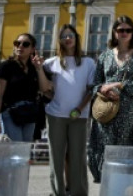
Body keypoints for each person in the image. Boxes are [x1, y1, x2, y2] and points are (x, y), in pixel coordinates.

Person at [88, 16, 133, 183]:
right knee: (104, 157)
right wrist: (104, 90)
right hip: (104, 114)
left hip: (127, 115)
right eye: (120, 30)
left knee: (124, 163)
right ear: (114, 32)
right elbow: (94, 85)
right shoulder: (104, 56)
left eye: (128, 30)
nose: (124, 33)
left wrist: (120, 84)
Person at [43, 24, 95, 196]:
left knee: (77, 157)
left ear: (76, 38)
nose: (67, 38)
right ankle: (58, 192)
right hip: (55, 115)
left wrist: (79, 109)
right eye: (64, 36)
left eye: (70, 35)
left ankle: (78, 192)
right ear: (60, 40)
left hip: (79, 116)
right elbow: (43, 86)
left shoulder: (88, 63)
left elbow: (91, 89)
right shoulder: (50, 63)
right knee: (56, 157)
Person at [0, 33, 52, 142]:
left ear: (32, 49)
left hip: (29, 114)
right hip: (10, 113)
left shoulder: (34, 68)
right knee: (15, 147)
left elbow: (45, 89)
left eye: (25, 44)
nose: (20, 46)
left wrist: (39, 69)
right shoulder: (6, 67)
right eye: (17, 43)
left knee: (25, 150)